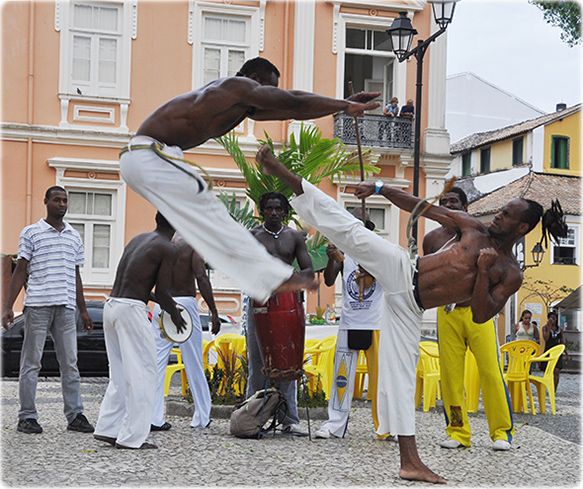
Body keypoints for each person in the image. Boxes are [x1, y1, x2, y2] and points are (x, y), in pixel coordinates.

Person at [254, 144, 567, 484]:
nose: (497, 216)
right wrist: (380, 188)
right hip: (404, 270)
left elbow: (481, 314)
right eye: (501, 210)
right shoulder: (473, 228)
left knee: (401, 378)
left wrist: (481, 273)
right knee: (349, 228)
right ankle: (278, 170)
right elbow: (423, 208)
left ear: (521, 228)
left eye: (506, 215)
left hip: (412, 305)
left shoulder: (509, 273)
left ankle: (409, 462)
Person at [118, 56, 378, 305]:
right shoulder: (237, 86)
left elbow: (292, 110)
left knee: (204, 220)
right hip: (149, 154)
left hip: (141, 160)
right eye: (269, 90)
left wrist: (341, 104)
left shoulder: (239, 106)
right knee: (206, 205)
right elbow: (292, 101)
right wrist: (345, 106)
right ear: (254, 79)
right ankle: (271, 278)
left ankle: (264, 277)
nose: (270, 98)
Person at [422, 187, 514, 452]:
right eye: (444, 202)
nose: (448, 206)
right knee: (451, 376)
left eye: (454, 202)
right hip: (447, 313)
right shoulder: (432, 238)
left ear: (465, 207)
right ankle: (458, 431)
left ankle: (501, 432)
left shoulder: (481, 234)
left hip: (478, 313)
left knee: (490, 371)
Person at [2, 186, 95, 435]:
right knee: (31, 363)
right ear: (46, 202)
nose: (61, 204)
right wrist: (9, 306)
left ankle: (75, 415)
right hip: (38, 305)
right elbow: (20, 270)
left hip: (66, 308)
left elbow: (76, 275)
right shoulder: (31, 232)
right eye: (56, 200)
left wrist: (83, 310)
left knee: (70, 364)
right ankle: (27, 417)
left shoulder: (74, 236)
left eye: (65, 200)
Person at [93, 212, 185, 449]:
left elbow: (138, 285)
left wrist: (159, 301)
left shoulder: (138, 239)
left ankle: (108, 428)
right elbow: (164, 292)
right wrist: (175, 315)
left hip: (112, 306)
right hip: (131, 311)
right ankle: (133, 438)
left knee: (120, 374)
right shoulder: (168, 248)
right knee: (144, 374)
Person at [245, 191, 314, 436]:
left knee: (287, 362)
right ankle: (252, 418)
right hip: (259, 304)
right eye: (269, 208)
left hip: (288, 307)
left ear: (285, 212)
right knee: (257, 363)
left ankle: (289, 420)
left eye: (278, 209)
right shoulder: (253, 236)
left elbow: (308, 271)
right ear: (261, 211)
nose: (274, 212)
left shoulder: (294, 237)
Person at [314, 209, 386, 440]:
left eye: (357, 225)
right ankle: (335, 424)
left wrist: (345, 260)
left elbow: (373, 279)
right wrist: (331, 258)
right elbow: (328, 280)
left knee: (380, 379)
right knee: (341, 377)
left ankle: (384, 425)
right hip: (348, 323)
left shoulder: (377, 251)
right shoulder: (342, 251)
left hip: (376, 323)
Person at [150, 232, 221, 431]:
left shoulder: (158, 242)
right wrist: (214, 311)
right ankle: (201, 416)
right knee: (194, 361)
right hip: (185, 304)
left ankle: (153, 417)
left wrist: (162, 302)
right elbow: (201, 277)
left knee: (157, 361)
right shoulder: (191, 242)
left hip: (161, 304)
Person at [541, 311, 569, 391]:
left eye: (554, 318)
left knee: (557, 371)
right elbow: (546, 338)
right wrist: (549, 327)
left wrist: (566, 353)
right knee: (548, 371)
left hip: (557, 352)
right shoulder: (545, 328)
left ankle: (554, 390)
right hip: (549, 351)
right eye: (551, 318)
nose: (552, 320)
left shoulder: (559, 329)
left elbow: (562, 341)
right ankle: (546, 387)